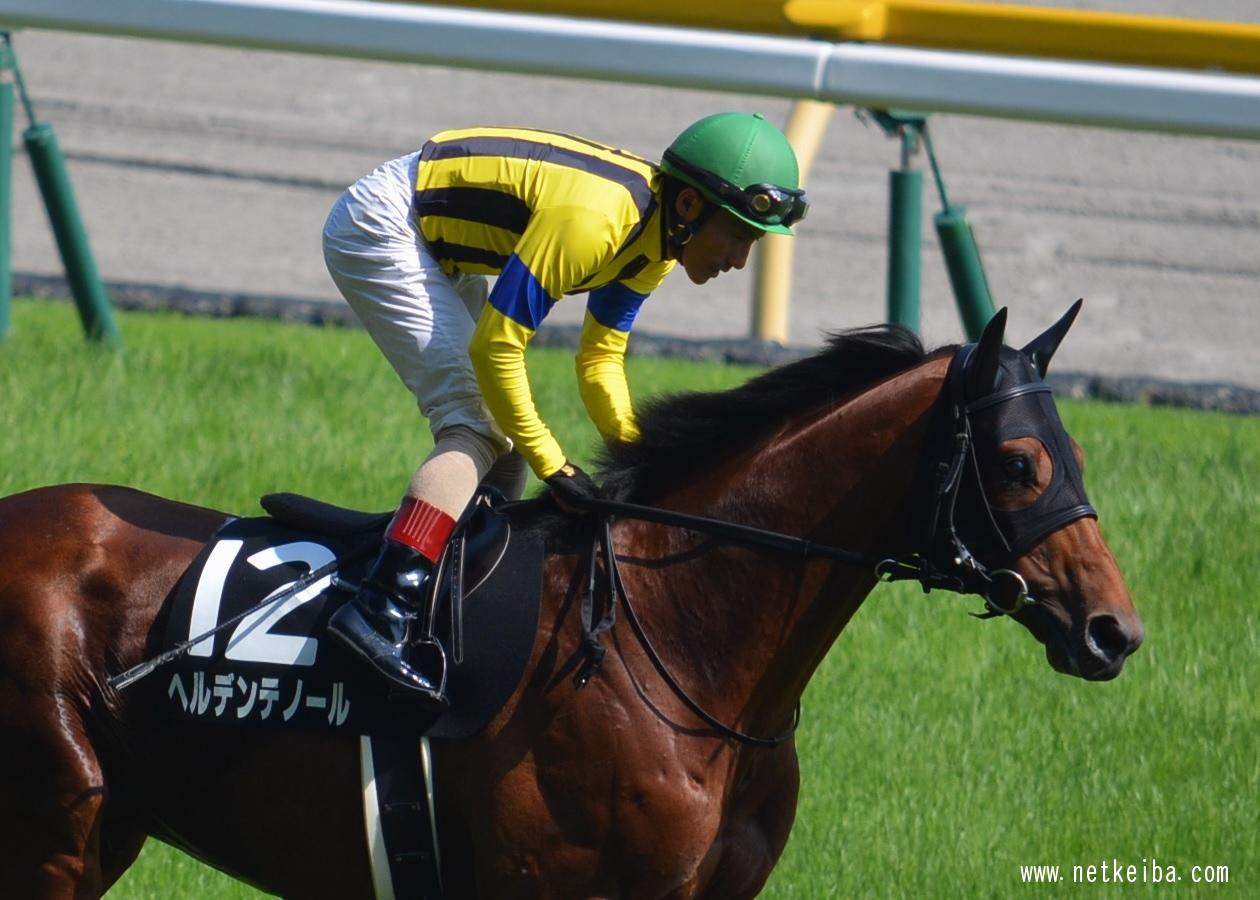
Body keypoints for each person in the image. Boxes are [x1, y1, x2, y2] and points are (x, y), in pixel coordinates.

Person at [322, 112, 808, 709]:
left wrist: (647, 460)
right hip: (384, 225)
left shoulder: (657, 241)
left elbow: (600, 358)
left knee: (502, 454)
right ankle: (381, 606)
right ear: (689, 205)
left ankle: (453, 600)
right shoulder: (596, 221)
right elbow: (498, 345)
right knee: (475, 425)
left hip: (439, 242)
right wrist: (554, 464)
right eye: (738, 234)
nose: (740, 259)